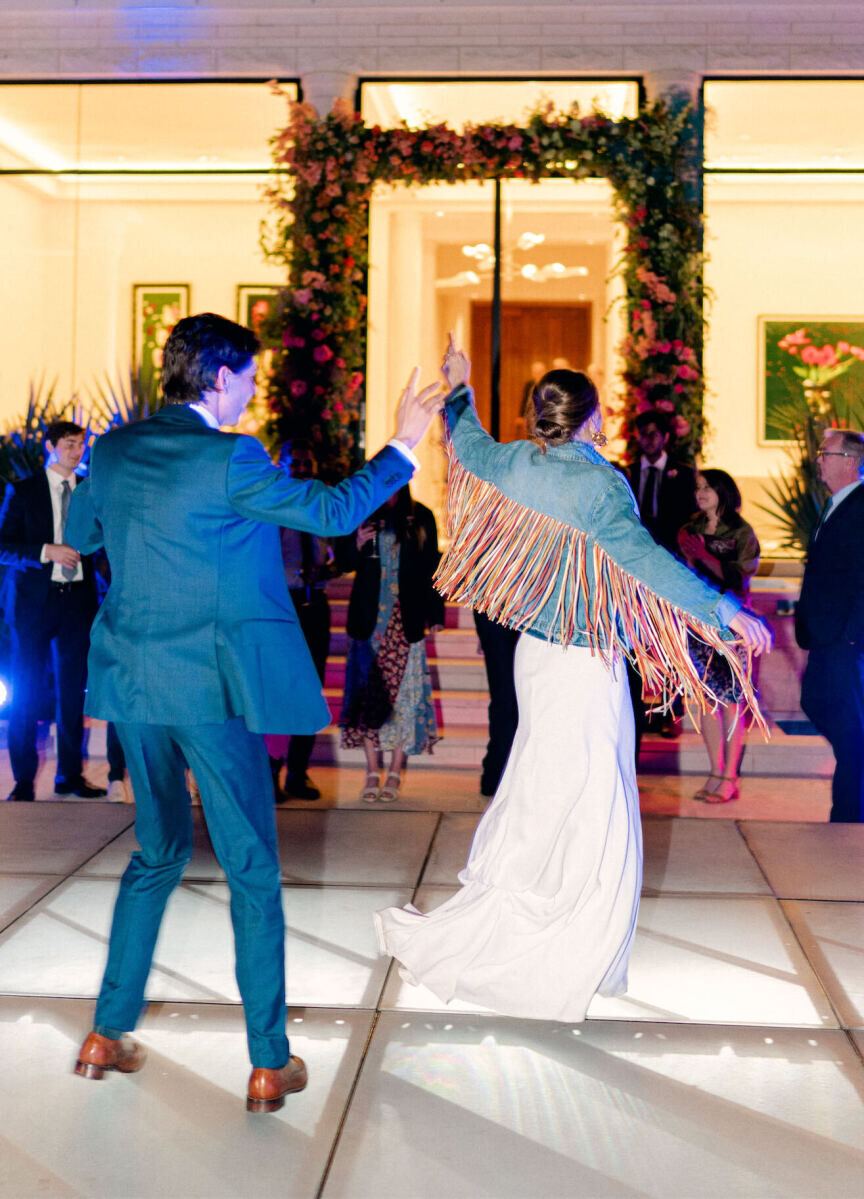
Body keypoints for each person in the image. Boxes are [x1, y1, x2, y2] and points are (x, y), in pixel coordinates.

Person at [65, 312, 442, 1111]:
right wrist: (405, 443)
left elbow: (81, 530)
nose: (255, 390)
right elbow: (337, 512)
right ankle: (269, 1061)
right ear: (218, 378)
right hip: (209, 691)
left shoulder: (117, 447)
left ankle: (104, 1033)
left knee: (156, 854)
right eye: (250, 377)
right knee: (250, 868)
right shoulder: (232, 456)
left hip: (134, 685)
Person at [375, 343, 771, 1022]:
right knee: (590, 800)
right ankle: (560, 954)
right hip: (585, 662)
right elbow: (644, 558)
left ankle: (527, 930)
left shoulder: (516, 461)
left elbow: (465, 441)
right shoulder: (599, 483)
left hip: (536, 654)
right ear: (590, 420)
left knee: (541, 790)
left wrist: (462, 386)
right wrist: (725, 608)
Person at [0, 420, 106, 802]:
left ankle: (69, 776)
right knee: (26, 692)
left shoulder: (90, 492)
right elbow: (3, 546)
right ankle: (24, 781)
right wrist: (47, 551)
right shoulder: (23, 490)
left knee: (72, 693)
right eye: (70, 444)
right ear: (51, 446)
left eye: (82, 445)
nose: (77, 451)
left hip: (76, 602)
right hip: (32, 606)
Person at [338, 485, 444, 803]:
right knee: (368, 695)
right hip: (368, 621)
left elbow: (431, 569)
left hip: (404, 620)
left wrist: (435, 612)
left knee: (405, 695)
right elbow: (343, 562)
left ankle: (395, 769)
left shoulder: (420, 515)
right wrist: (356, 543)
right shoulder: (361, 511)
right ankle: (372, 770)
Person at [677, 469, 761, 803]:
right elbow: (680, 575)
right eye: (697, 488)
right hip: (697, 624)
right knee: (706, 700)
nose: (700, 493)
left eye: (707, 487)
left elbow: (738, 580)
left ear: (723, 491)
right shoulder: (689, 529)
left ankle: (730, 777)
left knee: (731, 701)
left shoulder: (741, 531)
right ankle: (714, 770)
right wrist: (687, 558)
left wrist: (703, 556)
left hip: (732, 626)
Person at [796, 428, 864, 823]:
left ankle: (849, 814)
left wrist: (853, 634)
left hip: (843, 637)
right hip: (826, 634)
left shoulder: (859, 507)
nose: (819, 459)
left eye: (826, 453)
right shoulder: (834, 504)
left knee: (847, 725)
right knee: (816, 703)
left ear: (850, 462)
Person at [264, 440, 335, 801]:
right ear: (283, 464)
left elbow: (338, 549)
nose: (304, 468)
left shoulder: (321, 502)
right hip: (285, 607)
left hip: (315, 604)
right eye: (298, 462)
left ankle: (299, 772)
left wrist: (328, 567)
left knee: (311, 691)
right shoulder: (275, 503)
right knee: (280, 690)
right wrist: (291, 571)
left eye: (309, 461)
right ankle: (270, 772)